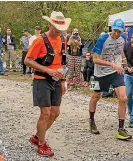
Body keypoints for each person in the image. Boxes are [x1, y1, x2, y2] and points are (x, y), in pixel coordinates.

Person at [24, 11, 71, 157]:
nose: (59, 29)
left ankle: (37, 137)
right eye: (57, 26)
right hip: (41, 79)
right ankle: (42, 144)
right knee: (45, 113)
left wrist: (63, 81)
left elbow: (62, 62)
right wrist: (47, 70)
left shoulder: (63, 39)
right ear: (50, 24)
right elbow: (28, 60)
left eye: (61, 27)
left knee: (55, 112)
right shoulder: (40, 40)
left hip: (56, 81)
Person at [89, 18, 132, 140]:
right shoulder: (103, 38)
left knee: (123, 98)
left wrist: (124, 63)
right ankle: (91, 120)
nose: (117, 34)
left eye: (119, 31)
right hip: (99, 73)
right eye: (115, 31)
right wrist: (112, 64)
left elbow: (120, 52)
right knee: (96, 96)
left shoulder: (123, 38)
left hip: (115, 72)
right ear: (111, 29)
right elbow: (95, 59)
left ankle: (121, 129)